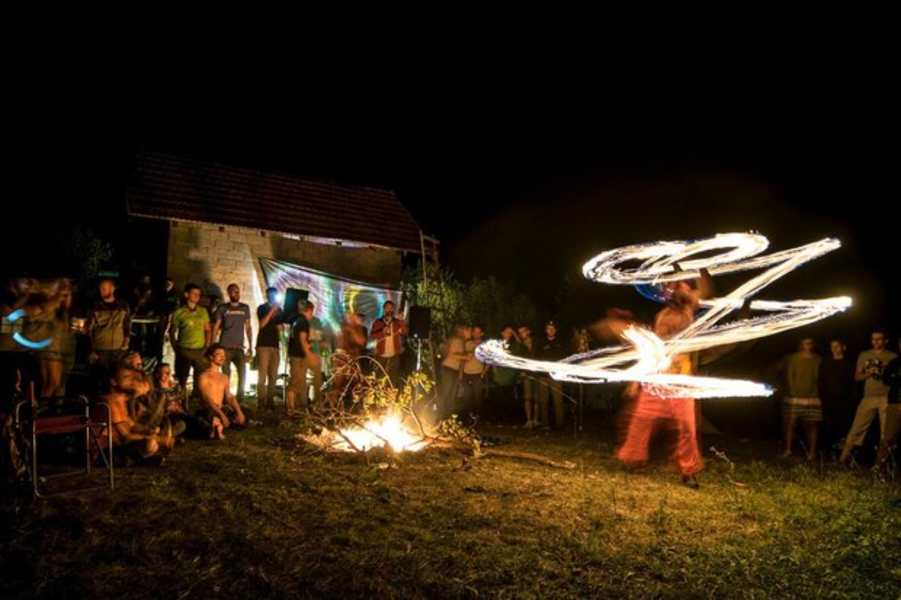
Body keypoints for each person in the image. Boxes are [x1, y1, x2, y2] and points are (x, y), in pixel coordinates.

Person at [617, 268, 712, 488]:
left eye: (677, 285)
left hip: (681, 381)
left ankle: (688, 471)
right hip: (658, 378)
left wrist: (702, 266)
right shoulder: (661, 317)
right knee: (641, 420)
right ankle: (633, 459)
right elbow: (650, 351)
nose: (673, 289)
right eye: (669, 286)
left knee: (687, 427)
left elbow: (705, 290)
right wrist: (635, 381)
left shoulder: (689, 307)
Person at [840, 329, 898, 463]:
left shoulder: (892, 356)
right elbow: (857, 377)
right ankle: (843, 459)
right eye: (873, 339)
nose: (876, 341)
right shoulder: (864, 355)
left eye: (879, 339)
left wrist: (885, 373)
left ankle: (881, 464)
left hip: (887, 398)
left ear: (885, 341)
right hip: (869, 397)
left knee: (886, 432)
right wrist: (869, 373)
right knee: (857, 428)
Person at [103, 356, 169, 464]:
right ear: (113, 381)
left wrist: (148, 430)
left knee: (152, 441)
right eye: (126, 377)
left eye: (132, 377)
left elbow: (132, 424)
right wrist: (156, 438)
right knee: (150, 443)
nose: (132, 380)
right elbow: (126, 436)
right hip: (106, 449)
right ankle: (138, 460)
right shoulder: (111, 401)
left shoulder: (121, 399)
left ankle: (139, 459)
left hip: (119, 443)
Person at [779, 338, 822, 460]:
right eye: (805, 343)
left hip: (812, 397)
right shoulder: (794, 358)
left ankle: (812, 453)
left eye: (810, 343)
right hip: (795, 397)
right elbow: (790, 375)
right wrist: (792, 392)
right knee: (791, 424)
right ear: (801, 344)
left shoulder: (817, 359)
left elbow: (818, 377)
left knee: (812, 424)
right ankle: (788, 450)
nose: (808, 345)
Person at [212, 283, 253, 406]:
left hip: (239, 347)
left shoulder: (245, 308)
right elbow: (216, 327)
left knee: (242, 373)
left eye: (238, 291)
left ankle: (240, 400)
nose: (236, 293)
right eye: (233, 291)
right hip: (225, 347)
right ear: (229, 293)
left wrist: (251, 346)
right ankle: (225, 398)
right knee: (226, 374)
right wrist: (213, 345)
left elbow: (248, 327)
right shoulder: (223, 308)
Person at [196, 345, 247, 439]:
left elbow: (229, 397)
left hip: (221, 409)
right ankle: (216, 426)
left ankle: (218, 425)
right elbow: (206, 399)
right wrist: (221, 415)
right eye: (219, 354)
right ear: (211, 357)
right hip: (209, 410)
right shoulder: (204, 376)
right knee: (208, 418)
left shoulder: (224, 377)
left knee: (244, 412)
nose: (222, 357)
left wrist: (239, 411)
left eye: (224, 355)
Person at [170, 283, 211, 399]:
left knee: (200, 376)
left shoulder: (203, 311)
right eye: (194, 294)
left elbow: (208, 329)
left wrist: (206, 346)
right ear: (186, 295)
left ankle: (197, 398)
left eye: (199, 294)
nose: (197, 296)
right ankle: (181, 399)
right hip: (184, 349)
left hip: (199, 350)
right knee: (182, 376)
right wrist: (175, 347)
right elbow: (172, 331)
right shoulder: (179, 312)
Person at [818, 338, 856, 453]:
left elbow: (853, 383)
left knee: (844, 426)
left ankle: (842, 452)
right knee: (828, 426)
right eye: (832, 346)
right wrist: (821, 397)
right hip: (828, 400)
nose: (834, 349)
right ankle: (828, 451)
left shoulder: (849, 364)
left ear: (843, 347)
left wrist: (852, 399)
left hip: (845, 401)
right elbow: (821, 381)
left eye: (837, 346)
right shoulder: (826, 363)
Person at [88, 278, 131, 377]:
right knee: (101, 377)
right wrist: (91, 350)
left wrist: (126, 341)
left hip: (118, 349)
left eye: (104, 288)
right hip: (101, 349)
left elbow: (127, 325)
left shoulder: (123, 306)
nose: (101, 291)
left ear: (112, 289)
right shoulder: (95, 306)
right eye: (100, 289)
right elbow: (89, 329)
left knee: (116, 377)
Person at [536, 320, 568, 429]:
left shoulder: (561, 343)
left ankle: (560, 424)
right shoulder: (541, 343)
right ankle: (545, 424)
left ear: (556, 330)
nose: (551, 330)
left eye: (553, 328)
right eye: (549, 328)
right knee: (543, 400)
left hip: (556, 376)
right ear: (546, 330)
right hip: (543, 376)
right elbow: (536, 358)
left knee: (557, 400)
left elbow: (565, 358)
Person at [255, 287, 283, 410]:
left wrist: (281, 325)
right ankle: (261, 401)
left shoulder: (279, 310)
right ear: (267, 295)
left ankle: (270, 402)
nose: (273, 297)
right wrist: (272, 310)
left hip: (275, 346)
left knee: (273, 375)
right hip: (263, 345)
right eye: (271, 295)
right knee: (262, 375)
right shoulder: (262, 308)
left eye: (275, 295)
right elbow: (262, 324)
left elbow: (280, 328)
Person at [286, 300, 315, 416]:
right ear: (309, 310)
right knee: (295, 382)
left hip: (295, 355)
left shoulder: (296, 321)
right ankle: (291, 409)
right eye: (312, 312)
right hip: (298, 356)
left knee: (300, 382)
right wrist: (309, 353)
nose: (312, 315)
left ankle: (299, 408)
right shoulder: (303, 322)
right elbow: (302, 340)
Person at [876, 338, 900, 470]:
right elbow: (886, 379)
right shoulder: (895, 362)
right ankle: (879, 467)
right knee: (888, 438)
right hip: (895, 405)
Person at [370, 300, 406, 385]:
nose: (389, 310)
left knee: (392, 379)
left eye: (391, 308)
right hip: (381, 355)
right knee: (379, 379)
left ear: (393, 310)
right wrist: (382, 331)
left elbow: (404, 332)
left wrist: (401, 321)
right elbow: (372, 336)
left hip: (394, 355)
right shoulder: (378, 322)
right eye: (387, 308)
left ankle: (391, 395)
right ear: (384, 309)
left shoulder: (397, 322)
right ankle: (378, 396)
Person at [438, 325, 469, 419]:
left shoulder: (462, 342)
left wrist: (460, 373)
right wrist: (466, 357)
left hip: (453, 369)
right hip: (449, 368)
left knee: (451, 394)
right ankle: (442, 415)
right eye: (465, 329)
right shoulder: (457, 340)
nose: (468, 331)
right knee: (447, 393)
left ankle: (448, 417)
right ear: (460, 331)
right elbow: (453, 354)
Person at [299, 302, 324, 407]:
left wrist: (306, 337)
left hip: (315, 353)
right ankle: (303, 403)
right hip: (302, 354)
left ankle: (317, 403)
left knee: (317, 380)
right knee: (302, 380)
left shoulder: (316, 321)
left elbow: (318, 336)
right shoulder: (300, 321)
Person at [462, 325, 487, 419]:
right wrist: (461, 373)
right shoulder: (467, 343)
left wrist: (484, 372)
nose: (475, 334)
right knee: (467, 396)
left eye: (477, 332)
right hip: (466, 373)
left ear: (482, 334)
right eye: (474, 332)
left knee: (478, 396)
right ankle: (468, 416)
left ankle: (479, 417)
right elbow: (463, 357)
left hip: (478, 373)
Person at [515, 325, 537, 428]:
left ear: (528, 331)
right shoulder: (521, 346)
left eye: (523, 331)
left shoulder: (536, 343)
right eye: (519, 332)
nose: (521, 334)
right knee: (527, 397)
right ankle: (528, 420)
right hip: (526, 373)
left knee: (537, 398)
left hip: (537, 373)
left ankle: (536, 420)